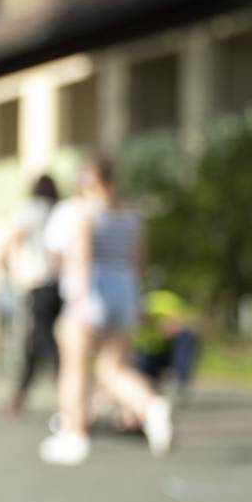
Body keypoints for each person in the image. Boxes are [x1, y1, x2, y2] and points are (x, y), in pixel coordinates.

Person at [39, 155, 174, 465]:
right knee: (111, 367)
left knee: (74, 363)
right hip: (125, 292)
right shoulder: (131, 216)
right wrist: (136, 301)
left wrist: (78, 296)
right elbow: (138, 262)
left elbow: (82, 256)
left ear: (92, 178)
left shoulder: (87, 213)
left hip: (95, 291)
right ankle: (151, 405)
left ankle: (73, 433)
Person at [0, 173, 63, 415]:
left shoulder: (29, 210)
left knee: (42, 338)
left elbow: (16, 236)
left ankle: (64, 384)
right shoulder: (58, 210)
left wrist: (2, 260)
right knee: (36, 340)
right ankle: (20, 395)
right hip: (59, 283)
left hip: (37, 281)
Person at [134, 288, 199, 402]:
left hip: (170, 350)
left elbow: (189, 323)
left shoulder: (163, 302)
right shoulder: (131, 324)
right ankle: (147, 384)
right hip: (148, 355)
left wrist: (174, 326)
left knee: (186, 336)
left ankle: (180, 381)